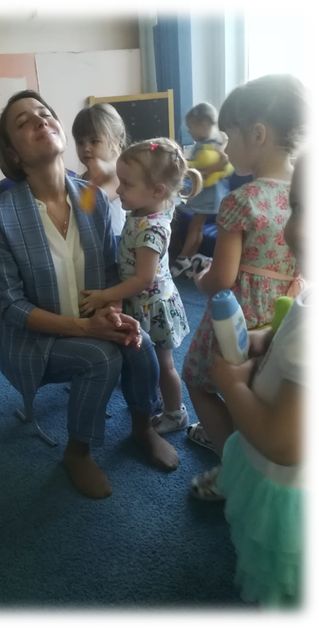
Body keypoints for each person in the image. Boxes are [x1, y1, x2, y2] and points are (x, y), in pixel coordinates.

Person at [0, 90, 179, 501]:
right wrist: (86, 328)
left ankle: (142, 428)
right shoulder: (0, 215)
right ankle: (77, 452)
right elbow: (12, 307)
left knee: (139, 341)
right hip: (36, 340)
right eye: (23, 122)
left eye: (45, 113)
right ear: (13, 153)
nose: (40, 121)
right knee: (101, 356)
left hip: (92, 321)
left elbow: (111, 271)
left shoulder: (91, 199)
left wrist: (113, 312)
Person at [181, 74, 315, 491]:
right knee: (261, 394)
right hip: (287, 314)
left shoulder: (240, 201)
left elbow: (222, 278)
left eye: (227, 136)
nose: (223, 147)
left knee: (198, 381)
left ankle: (231, 465)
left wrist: (200, 278)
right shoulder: (303, 192)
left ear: (257, 134)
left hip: (239, 318)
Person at [212, 142, 317, 624]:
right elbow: (295, 326)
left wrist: (233, 387)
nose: (303, 229)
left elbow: (284, 443)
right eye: (299, 207)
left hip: (289, 487)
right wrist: (266, 338)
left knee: (288, 589)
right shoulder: (313, 291)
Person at [80, 138, 203, 434]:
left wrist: (104, 296)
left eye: (126, 184)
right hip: (143, 302)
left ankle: (175, 413)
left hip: (153, 306)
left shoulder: (151, 230)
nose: (119, 189)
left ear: (157, 190)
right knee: (148, 362)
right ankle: (154, 399)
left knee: (163, 365)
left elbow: (143, 279)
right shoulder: (145, 208)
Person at [171, 103, 231, 278]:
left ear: (203, 124)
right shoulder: (207, 143)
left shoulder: (212, 144)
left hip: (207, 195)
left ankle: (183, 258)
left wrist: (201, 172)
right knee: (197, 228)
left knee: (194, 227)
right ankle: (190, 259)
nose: (189, 131)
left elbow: (223, 162)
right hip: (207, 194)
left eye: (191, 127)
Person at [72, 103, 127, 241]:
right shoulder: (80, 178)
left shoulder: (118, 176)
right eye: (80, 142)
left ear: (116, 141)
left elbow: (90, 204)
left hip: (113, 243)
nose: (86, 148)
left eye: (94, 141)